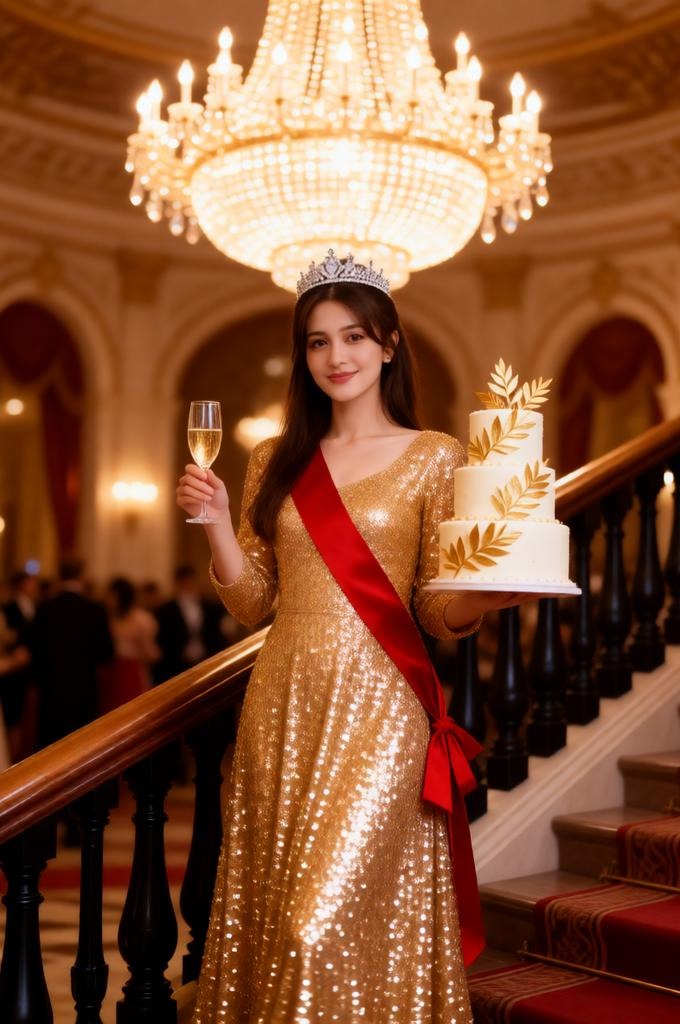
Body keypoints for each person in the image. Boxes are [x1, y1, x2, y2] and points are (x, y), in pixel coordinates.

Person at [177, 251, 533, 1023]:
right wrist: (213, 527)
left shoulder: (436, 455)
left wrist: (481, 596)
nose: (336, 357)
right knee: (279, 915)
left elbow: (439, 612)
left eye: (354, 337)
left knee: (318, 924)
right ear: (303, 354)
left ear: (389, 344)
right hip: (282, 708)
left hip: (381, 713)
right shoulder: (275, 458)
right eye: (317, 341)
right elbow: (254, 600)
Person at [31, 556, 114, 749]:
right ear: (82, 574)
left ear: (59, 575)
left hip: (50, 691)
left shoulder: (44, 609)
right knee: (81, 748)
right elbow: (106, 653)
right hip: (83, 691)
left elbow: (34, 651)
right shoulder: (95, 610)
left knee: (50, 750)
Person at [154, 565, 227, 684]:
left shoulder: (211, 607)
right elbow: (163, 638)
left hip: (206, 662)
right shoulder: (166, 610)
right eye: (184, 581)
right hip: (176, 666)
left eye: (190, 581)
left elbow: (216, 635)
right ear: (177, 583)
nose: (187, 584)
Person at [98, 576, 160, 714]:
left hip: (132, 672)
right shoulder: (107, 618)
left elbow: (151, 653)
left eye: (112, 596)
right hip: (112, 673)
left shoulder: (141, 619)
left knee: (132, 711)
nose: (108, 600)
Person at [2, 570, 38, 761]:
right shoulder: (8, 608)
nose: (35, 586)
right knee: (11, 717)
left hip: (26, 671)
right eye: (31, 582)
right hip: (11, 673)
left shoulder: (36, 606)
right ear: (22, 584)